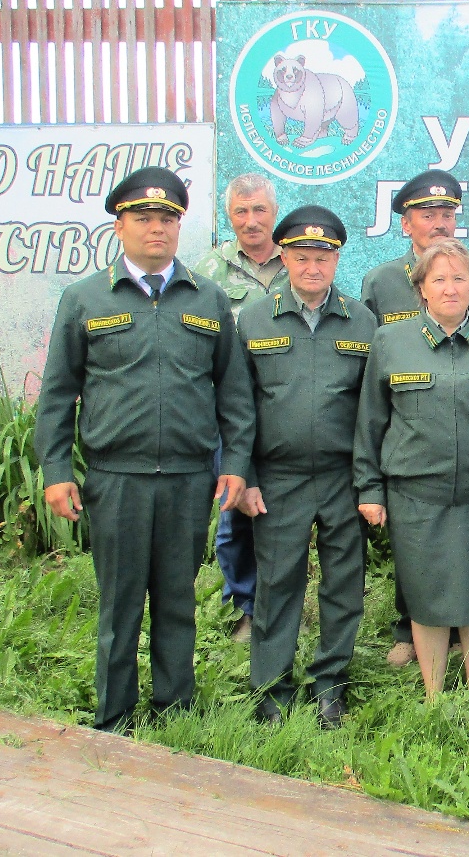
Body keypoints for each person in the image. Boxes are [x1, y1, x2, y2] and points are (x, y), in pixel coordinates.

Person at [36, 167, 254, 733]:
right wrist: (56, 470)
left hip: (188, 478)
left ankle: (174, 709)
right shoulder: (85, 298)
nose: (156, 229)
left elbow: (233, 393)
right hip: (117, 479)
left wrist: (235, 464)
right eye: (143, 218)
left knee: (178, 600)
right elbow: (57, 392)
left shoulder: (207, 299)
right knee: (121, 603)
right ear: (119, 226)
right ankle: (113, 716)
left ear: (179, 227)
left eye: (167, 219)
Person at [354, 238, 469, 700]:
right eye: (439, 279)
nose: (450, 288)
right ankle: (434, 695)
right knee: (426, 595)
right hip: (416, 496)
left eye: (460, 278)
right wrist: (370, 488)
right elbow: (371, 421)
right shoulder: (390, 341)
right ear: (421, 288)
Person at [234, 205, 376, 728]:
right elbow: (238, 407)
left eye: (323, 257)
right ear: (284, 258)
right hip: (278, 478)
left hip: (343, 477)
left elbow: (374, 411)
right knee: (277, 584)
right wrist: (245, 477)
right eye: (301, 257)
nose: (312, 267)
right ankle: (271, 689)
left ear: (336, 260)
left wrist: (370, 483)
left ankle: (330, 684)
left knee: (344, 584)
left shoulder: (362, 321)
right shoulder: (254, 320)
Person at [361, 169, 469, 667]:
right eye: (427, 214)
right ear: (406, 224)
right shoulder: (381, 281)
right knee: (416, 544)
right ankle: (407, 630)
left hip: (465, 432)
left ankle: (459, 632)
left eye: (447, 214)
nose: (439, 223)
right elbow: (372, 366)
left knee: (463, 546)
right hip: (408, 428)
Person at [193, 173, 284, 642]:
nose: (251, 221)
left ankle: (279, 601)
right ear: (229, 216)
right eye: (240, 212)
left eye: (259, 210)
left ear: (274, 212)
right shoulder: (209, 270)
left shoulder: (299, 260)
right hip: (231, 412)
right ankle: (244, 606)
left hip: (286, 410)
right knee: (234, 511)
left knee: (278, 513)